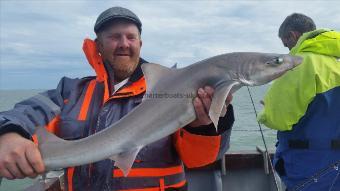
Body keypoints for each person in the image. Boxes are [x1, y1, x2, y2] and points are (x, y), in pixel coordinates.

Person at [0, 7, 234, 191]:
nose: (124, 43)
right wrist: (8, 134)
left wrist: (204, 127)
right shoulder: (71, 91)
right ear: (98, 46)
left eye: (131, 37)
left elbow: (200, 160)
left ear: (140, 44)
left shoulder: (171, 92)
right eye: (114, 37)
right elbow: (26, 114)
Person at [258, 13, 340, 191]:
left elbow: (277, 119)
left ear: (294, 36)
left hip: (310, 168)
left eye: (286, 45)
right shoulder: (337, 61)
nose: (288, 51)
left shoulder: (299, 64)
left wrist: (266, 110)